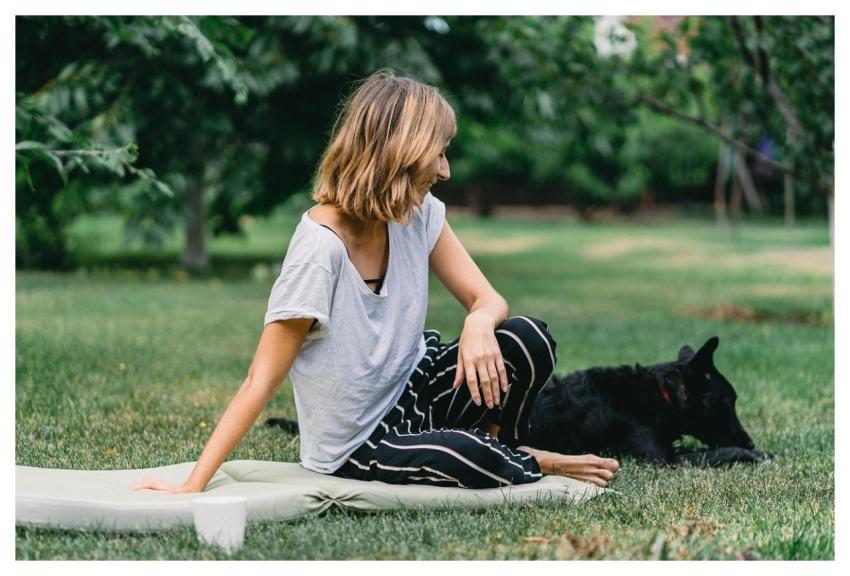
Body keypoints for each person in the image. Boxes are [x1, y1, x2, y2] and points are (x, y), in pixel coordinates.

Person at [133, 69, 619, 494]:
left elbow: (488, 299)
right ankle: (525, 457)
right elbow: (261, 379)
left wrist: (477, 322)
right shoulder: (320, 252)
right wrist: (192, 483)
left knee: (526, 339)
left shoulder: (417, 213)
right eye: (439, 154)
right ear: (400, 154)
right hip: (360, 441)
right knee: (472, 458)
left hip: (417, 384)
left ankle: (503, 445)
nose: (446, 170)